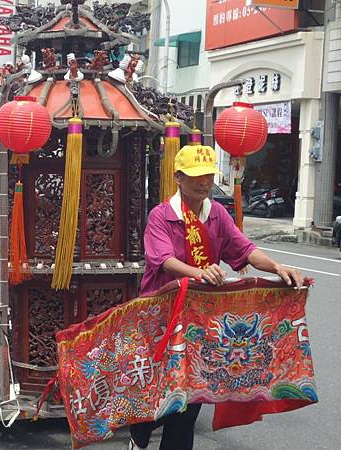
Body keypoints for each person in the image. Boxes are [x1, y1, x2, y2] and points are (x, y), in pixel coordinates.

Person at [128, 145, 304, 450]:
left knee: (194, 393)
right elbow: (164, 260)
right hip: (162, 314)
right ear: (178, 178)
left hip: (201, 317)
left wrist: (277, 266)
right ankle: (139, 432)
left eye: (208, 175)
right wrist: (197, 273)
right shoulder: (161, 215)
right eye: (196, 176)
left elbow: (245, 249)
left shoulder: (218, 214)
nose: (203, 182)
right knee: (161, 391)